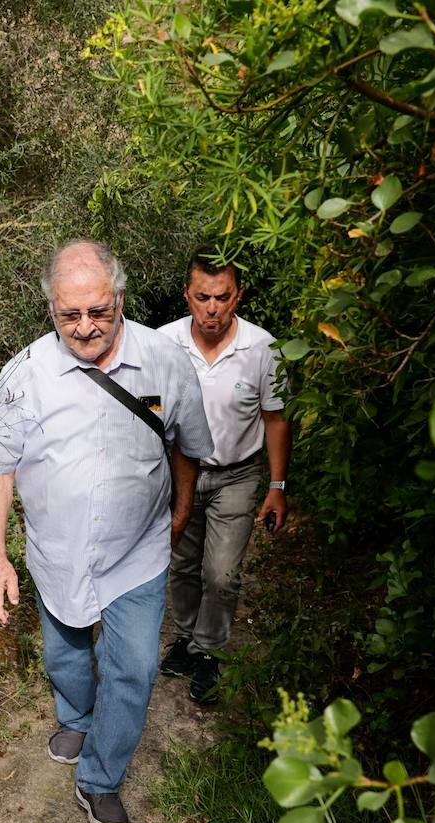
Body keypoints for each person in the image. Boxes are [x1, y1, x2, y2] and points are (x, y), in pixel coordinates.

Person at [0, 239, 214, 823]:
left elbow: (187, 442)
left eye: (98, 311)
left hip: (138, 551)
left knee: (134, 667)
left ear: (121, 298)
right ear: (51, 311)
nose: (85, 327)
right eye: (69, 315)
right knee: (66, 652)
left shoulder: (164, 362)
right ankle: (76, 716)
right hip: (57, 554)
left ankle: (101, 779)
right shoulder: (25, 376)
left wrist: (181, 509)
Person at [156, 249, 292, 705]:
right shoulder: (163, 344)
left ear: (238, 297)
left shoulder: (263, 349)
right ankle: (186, 638)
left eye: (222, 297)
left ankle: (209, 652)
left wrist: (276, 487)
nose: (211, 308)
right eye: (201, 297)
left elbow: (276, 419)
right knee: (183, 564)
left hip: (237, 474)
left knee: (222, 573)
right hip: (180, 473)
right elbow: (149, 413)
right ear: (187, 295)